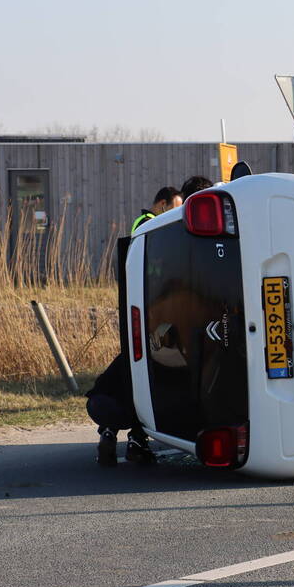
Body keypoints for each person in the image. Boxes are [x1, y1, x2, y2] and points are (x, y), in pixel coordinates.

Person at [90, 187, 184, 465]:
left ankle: (110, 431)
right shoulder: (150, 226)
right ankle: (136, 439)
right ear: (162, 203)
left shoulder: (144, 225)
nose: (175, 214)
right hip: (151, 309)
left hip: (143, 307)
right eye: (174, 207)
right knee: (150, 373)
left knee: (131, 369)